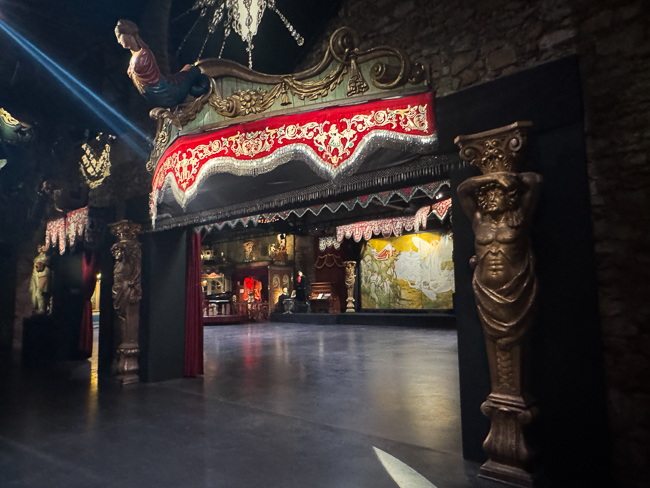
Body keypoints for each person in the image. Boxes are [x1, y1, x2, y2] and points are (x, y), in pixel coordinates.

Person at [457, 171, 542, 348]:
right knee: (492, 343)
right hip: (485, 290)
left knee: (514, 345)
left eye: (497, 194)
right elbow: (462, 190)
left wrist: (508, 179)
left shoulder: (518, 217)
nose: (491, 199)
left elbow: (535, 180)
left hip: (514, 290)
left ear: (509, 197)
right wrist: (493, 178)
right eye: (488, 196)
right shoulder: (479, 220)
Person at [115, 19, 209, 107]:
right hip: (158, 96)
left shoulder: (144, 55)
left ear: (129, 34)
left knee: (192, 70)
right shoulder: (135, 57)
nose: (118, 41)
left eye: (119, 36)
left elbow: (153, 82)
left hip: (165, 92)